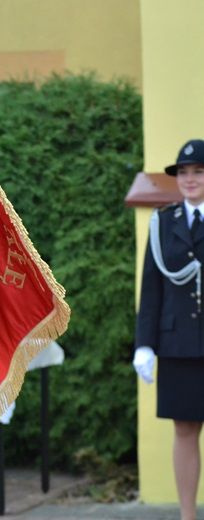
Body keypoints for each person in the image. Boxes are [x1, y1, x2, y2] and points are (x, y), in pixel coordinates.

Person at [135, 138, 204, 520]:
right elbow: (152, 287)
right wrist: (144, 344)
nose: (190, 179)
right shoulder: (164, 222)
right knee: (184, 428)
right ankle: (187, 514)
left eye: (198, 172)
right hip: (178, 341)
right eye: (184, 173)